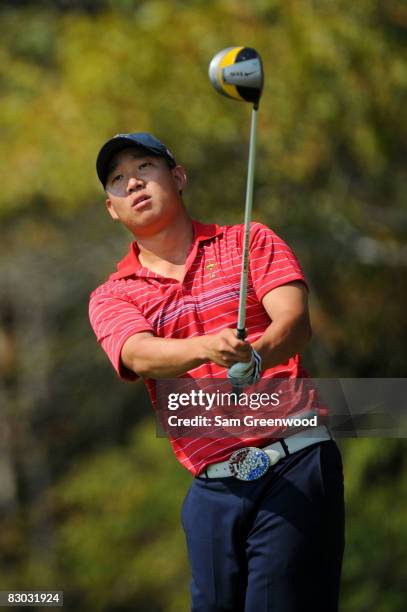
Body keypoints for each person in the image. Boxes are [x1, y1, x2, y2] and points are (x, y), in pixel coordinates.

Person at [89, 132, 345, 612]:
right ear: (111, 208)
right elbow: (138, 354)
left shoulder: (250, 240)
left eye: (145, 167)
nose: (134, 183)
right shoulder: (112, 295)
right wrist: (207, 347)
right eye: (119, 180)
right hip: (212, 487)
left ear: (178, 177)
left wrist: (255, 356)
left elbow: (294, 323)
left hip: (292, 459)